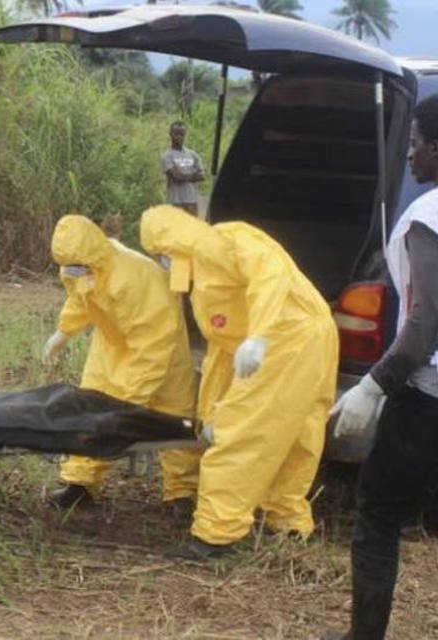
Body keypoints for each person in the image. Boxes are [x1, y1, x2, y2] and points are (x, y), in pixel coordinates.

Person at [139, 204, 338, 559]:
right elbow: (221, 349)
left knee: (245, 431)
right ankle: (286, 520)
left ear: (172, 242)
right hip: (306, 336)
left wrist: (260, 335)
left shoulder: (230, 240)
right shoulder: (199, 276)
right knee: (297, 431)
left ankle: (215, 535)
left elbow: (271, 275)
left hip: (284, 338)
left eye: (162, 253)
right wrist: (211, 412)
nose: (165, 263)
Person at [322, 95, 438, 640]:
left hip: (426, 398)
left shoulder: (428, 217)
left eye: (415, 145)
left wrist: (372, 386)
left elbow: (423, 327)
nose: (411, 157)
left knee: (378, 513)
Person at [40, 214, 199, 511]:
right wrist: (63, 332)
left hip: (161, 346)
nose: (72, 272)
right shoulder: (78, 266)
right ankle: (80, 485)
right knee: (91, 410)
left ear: (94, 257)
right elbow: (80, 298)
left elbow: (152, 350)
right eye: (68, 267)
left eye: (78, 267)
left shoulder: (133, 279)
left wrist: (127, 400)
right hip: (111, 345)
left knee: (174, 416)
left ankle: (181, 492)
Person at [161, 121, 204, 215]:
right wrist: (192, 176)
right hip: (175, 202)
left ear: (185, 134)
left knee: (192, 228)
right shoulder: (167, 155)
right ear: (170, 134)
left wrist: (181, 175)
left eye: (181, 134)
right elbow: (175, 177)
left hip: (192, 201)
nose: (179, 137)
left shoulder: (193, 155)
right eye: (176, 134)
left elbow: (201, 176)